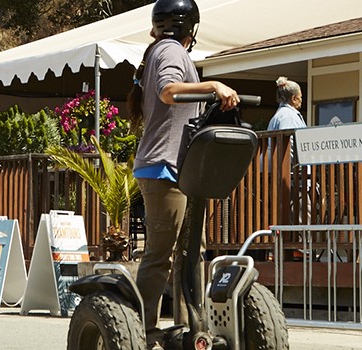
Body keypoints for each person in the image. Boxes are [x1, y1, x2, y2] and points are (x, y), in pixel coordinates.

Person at [127, 0, 240, 347]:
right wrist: (213, 86)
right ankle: (140, 332)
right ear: (190, 28)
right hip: (164, 169)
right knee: (161, 254)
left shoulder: (161, 49)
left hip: (179, 169)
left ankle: (190, 330)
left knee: (191, 252)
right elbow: (169, 91)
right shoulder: (172, 51)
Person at [267, 76, 311, 224]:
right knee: (299, 221)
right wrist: (298, 168)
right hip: (293, 179)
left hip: (286, 178)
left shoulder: (278, 116)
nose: (301, 100)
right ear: (293, 98)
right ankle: (298, 248)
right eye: (300, 97)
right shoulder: (289, 117)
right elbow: (290, 147)